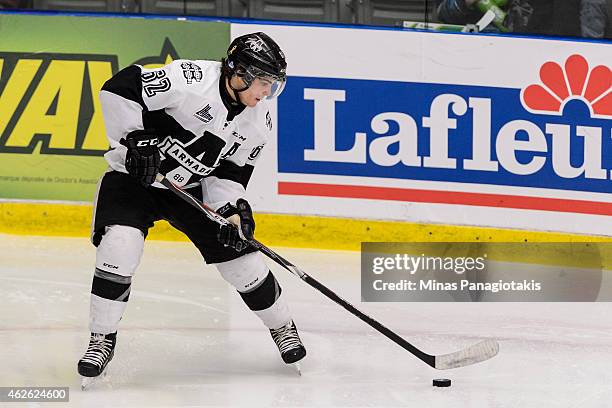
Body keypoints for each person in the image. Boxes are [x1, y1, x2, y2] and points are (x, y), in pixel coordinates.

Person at [77, 32, 306, 385]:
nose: (265, 94)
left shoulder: (258, 124)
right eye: (262, 83)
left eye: (272, 86)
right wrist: (133, 138)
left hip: (192, 191)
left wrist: (230, 210)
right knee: (119, 248)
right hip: (134, 178)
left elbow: (230, 174)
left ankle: (283, 327)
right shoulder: (190, 79)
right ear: (239, 73)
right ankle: (101, 338)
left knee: (244, 264)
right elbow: (119, 87)